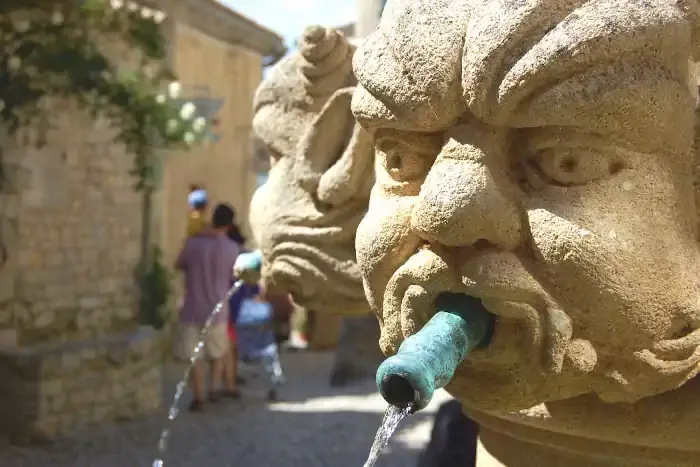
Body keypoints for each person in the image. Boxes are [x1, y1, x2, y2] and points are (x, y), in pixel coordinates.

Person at [175, 203, 241, 412]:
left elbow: (178, 264)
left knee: (195, 356)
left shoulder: (193, 244)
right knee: (218, 352)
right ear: (230, 224)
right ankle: (213, 388)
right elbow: (235, 275)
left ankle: (199, 396)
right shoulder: (232, 248)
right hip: (218, 309)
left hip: (193, 306)